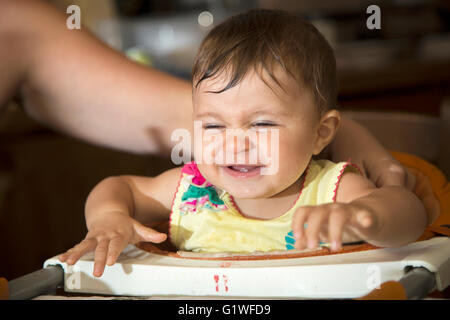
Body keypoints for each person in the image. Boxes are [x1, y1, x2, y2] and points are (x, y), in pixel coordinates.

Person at [58, 9, 429, 278]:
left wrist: (364, 217)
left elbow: (408, 214)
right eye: (214, 126)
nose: (234, 144)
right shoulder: (190, 191)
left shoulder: (330, 192)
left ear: (321, 133)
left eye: (262, 123)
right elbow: (118, 186)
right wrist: (109, 217)